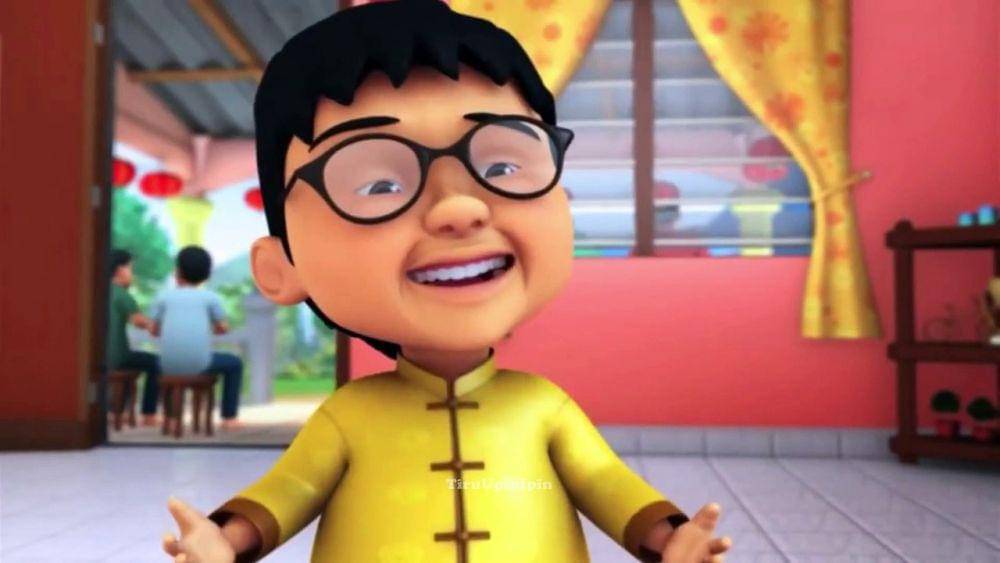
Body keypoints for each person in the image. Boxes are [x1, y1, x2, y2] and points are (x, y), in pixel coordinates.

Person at [163, 2, 732, 562]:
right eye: (380, 185)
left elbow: (603, 481)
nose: (459, 208)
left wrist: (669, 538)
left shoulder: (543, 407)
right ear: (279, 268)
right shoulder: (349, 416)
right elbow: (291, 489)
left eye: (502, 166)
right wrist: (226, 540)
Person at [151, 246, 243, 431]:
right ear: (206, 274)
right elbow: (223, 328)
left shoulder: (163, 297)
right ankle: (229, 417)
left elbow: (154, 330)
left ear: (178, 271)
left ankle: (171, 417)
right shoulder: (210, 298)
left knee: (163, 362)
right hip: (200, 363)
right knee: (234, 363)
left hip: (168, 363)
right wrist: (213, 328)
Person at [106, 248, 161, 426]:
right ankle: (149, 414)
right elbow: (139, 322)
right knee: (155, 363)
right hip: (117, 357)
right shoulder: (122, 294)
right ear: (120, 270)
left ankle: (116, 411)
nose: (132, 273)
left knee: (129, 363)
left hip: (97, 357)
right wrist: (155, 325)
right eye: (130, 268)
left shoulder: (98, 291)